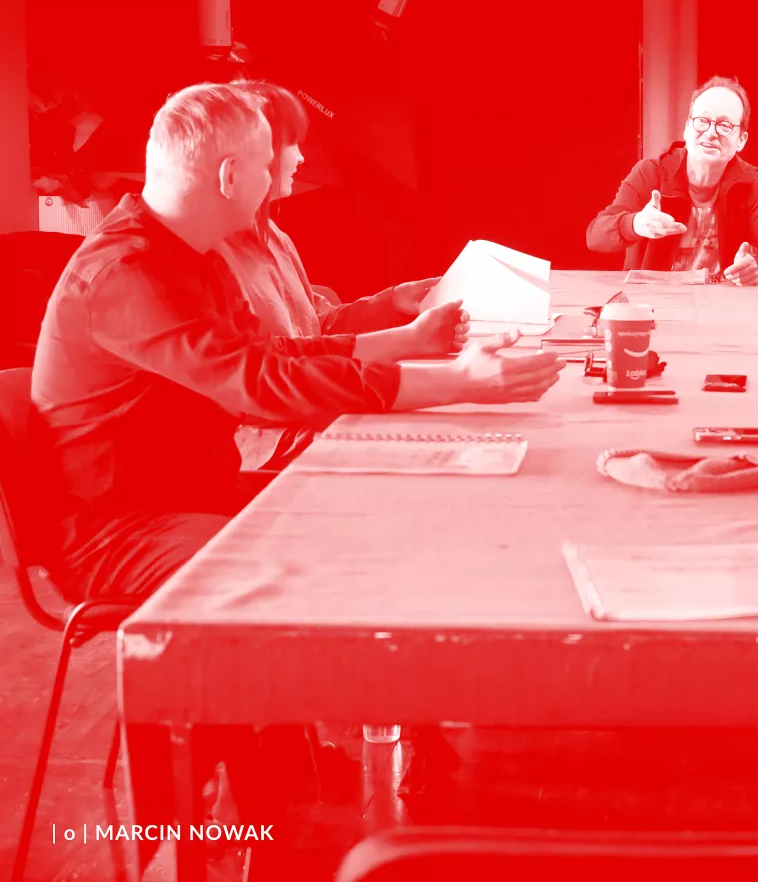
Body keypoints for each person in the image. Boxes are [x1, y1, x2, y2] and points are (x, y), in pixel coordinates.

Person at [28, 82, 562, 875]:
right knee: (250, 584)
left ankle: (296, 781)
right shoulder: (126, 272)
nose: (294, 164)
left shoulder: (187, 254)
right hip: (116, 528)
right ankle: (203, 839)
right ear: (229, 176)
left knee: (363, 519)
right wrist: (456, 383)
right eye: (271, 156)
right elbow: (257, 383)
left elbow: (279, 354)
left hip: (190, 497)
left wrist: (408, 347)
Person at [217, 80, 464, 469]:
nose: (301, 158)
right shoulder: (211, 254)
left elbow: (315, 329)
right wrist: (408, 346)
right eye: (291, 145)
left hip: (311, 413)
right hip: (262, 443)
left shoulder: (274, 235)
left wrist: (392, 304)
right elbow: (259, 377)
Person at [586, 75, 758, 284]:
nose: (711, 132)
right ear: (687, 129)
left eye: (725, 125)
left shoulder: (751, 184)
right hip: (654, 298)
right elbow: (595, 235)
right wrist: (635, 224)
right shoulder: (650, 173)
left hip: (722, 300)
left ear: (741, 140)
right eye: (702, 121)